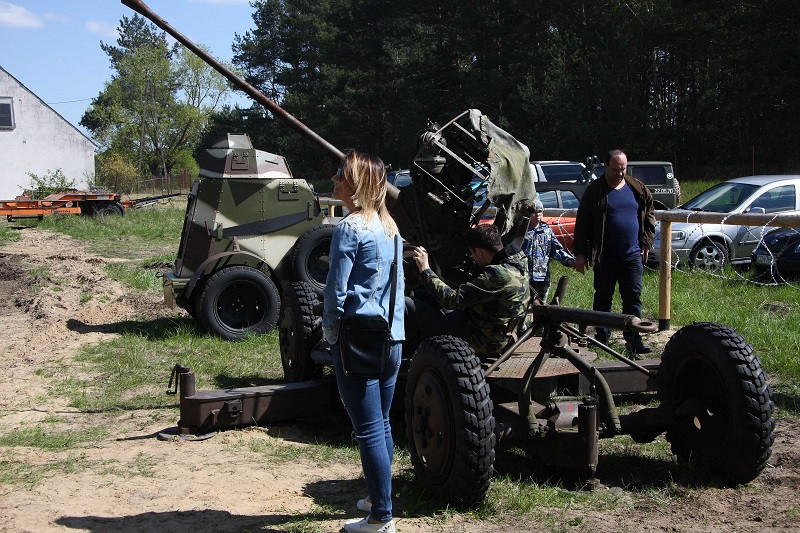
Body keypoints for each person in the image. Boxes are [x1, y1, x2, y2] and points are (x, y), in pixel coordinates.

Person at [322, 150, 404, 533]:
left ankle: (381, 518)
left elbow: (335, 295)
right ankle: (378, 497)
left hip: (357, 339)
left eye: (342, 174)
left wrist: (331, 337)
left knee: (368, 427)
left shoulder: (349, 228)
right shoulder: (392, 230)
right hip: (392, 337)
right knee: (383, 422)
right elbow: (398, 290)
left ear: (358, 184)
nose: (335, 179)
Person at [572, 149, 656, 355]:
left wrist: (646, 242)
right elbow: (582, 224)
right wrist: (581, 254)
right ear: (606, 166)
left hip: (632, 255)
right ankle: (602, 339)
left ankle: (633, 339)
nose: (620, 172)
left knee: (633, 299)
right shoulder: (594, 191)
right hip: (605, 256)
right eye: (615, 168)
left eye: (623, 168)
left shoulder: (637, 188)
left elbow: (649, 215)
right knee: (603, 299)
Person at [407, 224, 529, 358]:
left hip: (482, 341)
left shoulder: (497, 275)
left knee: (406, 303)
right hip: (496, 333)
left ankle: (412, 353)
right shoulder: (517, 264)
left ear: (480, 252)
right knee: (423, 295)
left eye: (473, 253)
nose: (472, 257)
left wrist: (425, 270)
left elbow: (451, 300)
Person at [522, 197, 576, 303]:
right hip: (525, 277)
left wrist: (569, 261)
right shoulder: (522, 232)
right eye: (534, 212)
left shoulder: (547, 231)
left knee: (541, 307)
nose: (537, 214)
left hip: (542, 277)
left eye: (540, 212)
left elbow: (556, 250)